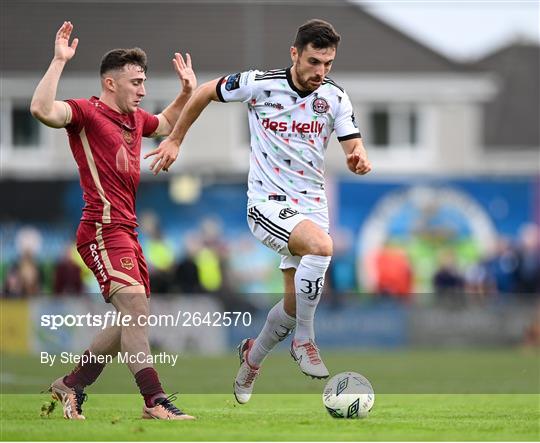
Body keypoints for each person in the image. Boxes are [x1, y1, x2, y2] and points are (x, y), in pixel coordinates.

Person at [146, 19, 371, 404]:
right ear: (294, 53)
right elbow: (203, 92)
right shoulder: (259, 84)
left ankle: (252, 358)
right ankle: (305, 340)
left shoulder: (335, 97)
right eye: (315, 61)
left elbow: (352, 142)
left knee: (292, 303)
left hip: (311, 205)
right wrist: (175, 139)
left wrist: (358, 157)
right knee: (321, 248)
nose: (321, 71)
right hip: (268, 203)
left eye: (328, 64)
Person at [30, 22, 197, 420]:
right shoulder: (86, 113)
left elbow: (169, 122)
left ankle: (71, 384)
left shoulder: (136, 121)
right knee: (136, 311)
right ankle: (154, 401)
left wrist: (188, 93)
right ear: (110, 83)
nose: (142, 90)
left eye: (143, 82)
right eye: (136, 82)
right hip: (102, 231)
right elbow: (40, 109)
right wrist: (58, 61)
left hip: (127, 232)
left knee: (132, 319)